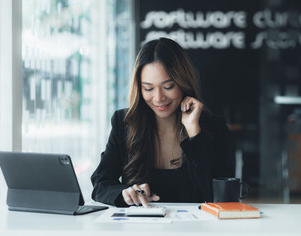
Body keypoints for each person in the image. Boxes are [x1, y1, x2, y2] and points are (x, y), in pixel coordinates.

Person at [91, 37, 232, 207]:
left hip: (196, 231)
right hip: (141, 230)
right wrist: (124, 194)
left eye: (168, 87)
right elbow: (100, 183)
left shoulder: (213, 126)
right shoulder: (124, 123)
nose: (158, 98)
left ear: (183, 82)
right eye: (148, 88)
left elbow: (219, 195)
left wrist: (195, 133)